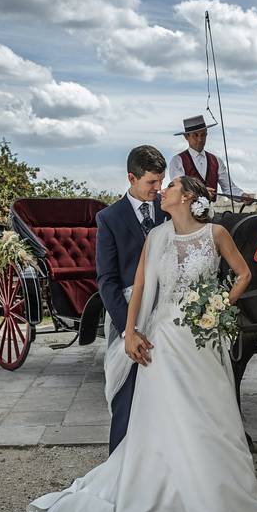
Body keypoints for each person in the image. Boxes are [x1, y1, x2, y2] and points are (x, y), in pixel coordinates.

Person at [27, 175, 257, 512]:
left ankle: (217, 494)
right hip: (164, 339)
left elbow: (244, 274)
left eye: (170, 187)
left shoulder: (216, 234)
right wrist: (129, 333)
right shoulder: (156, 237)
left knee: (212, 410)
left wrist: (221, 305)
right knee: (166, 417)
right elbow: (140, 287)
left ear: (188, 197)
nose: (163, 191)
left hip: (203, 341)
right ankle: (173, 490)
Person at [94, 145, 166, 453]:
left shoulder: (169, 209)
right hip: (127, 313)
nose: (158, 189)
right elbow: (106, 280)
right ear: (131, 178)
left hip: (166, 311)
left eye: (161, 181)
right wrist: (129, 329)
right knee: (127, 387)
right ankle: (120, 461)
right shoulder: (109, 218)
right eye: (151, 182)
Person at [168, 114, 255, 203]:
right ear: (186, 136)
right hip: (186, 213)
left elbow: (228, 188)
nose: (200, 139)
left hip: (210, 213)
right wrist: (202, 192)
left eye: (203, 135)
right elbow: (179, 188)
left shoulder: (216, 161)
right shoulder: (177, 161)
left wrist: (243, 196)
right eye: (195, 135)